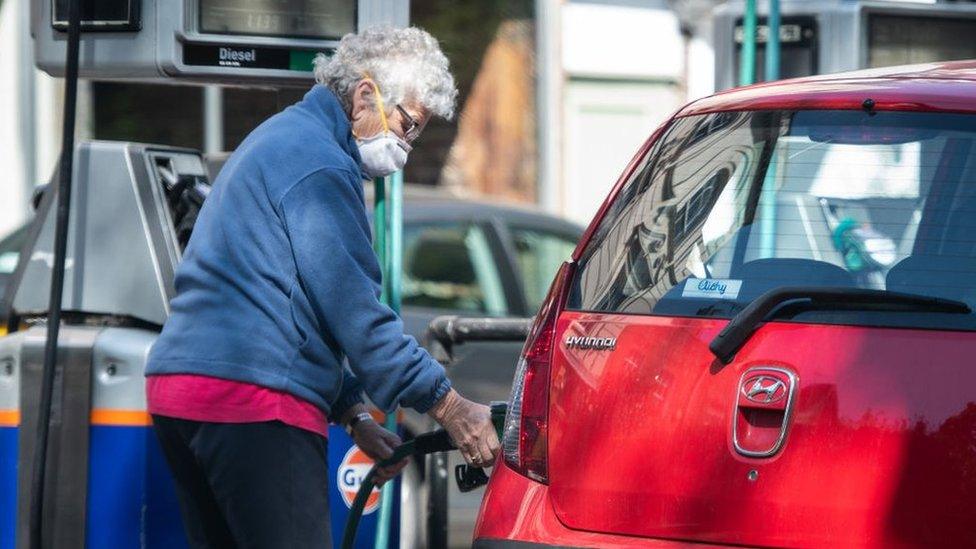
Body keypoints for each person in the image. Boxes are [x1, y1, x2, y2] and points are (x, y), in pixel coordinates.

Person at [144, 26, 499, 548]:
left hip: (183, 390)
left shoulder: (281, 137)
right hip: (253, 399)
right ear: (364, 94)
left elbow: (288, 301)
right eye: (408, 125)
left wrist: (354, 415)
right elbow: (360, 319)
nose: (404, 146)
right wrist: (449, 407)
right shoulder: (321, 167)